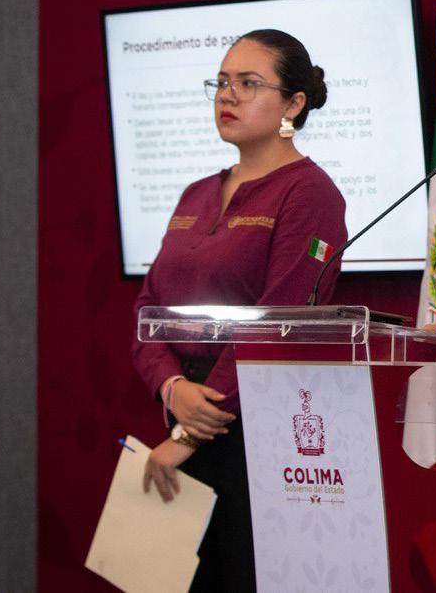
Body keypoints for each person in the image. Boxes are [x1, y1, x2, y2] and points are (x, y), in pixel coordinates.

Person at [131, 29, 347, 591]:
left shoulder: (309, 193)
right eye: (222, 82)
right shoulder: (196, 193)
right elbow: (149, 308)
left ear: (293, 104)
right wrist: (171, 387)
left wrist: (188, 434)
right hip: (187, 412)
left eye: (249, 83)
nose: (228, 95)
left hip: (256, 435)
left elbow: (278, 324)